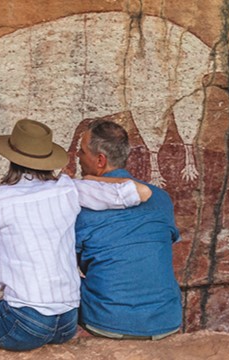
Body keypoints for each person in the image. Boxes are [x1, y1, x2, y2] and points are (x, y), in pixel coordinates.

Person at [0, 118, 152, 351]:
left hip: (22, 325)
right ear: (48, 158)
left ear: (10, 157)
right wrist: (84, 182)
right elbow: (140, 193)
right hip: (66, 323)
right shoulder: (68, 189)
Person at [76, 119, 182, 340]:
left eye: (82, 151)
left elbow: (70, 259)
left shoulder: (80, 203)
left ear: (100, 160)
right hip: (167, 319)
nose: (77, 156)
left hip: (108, 320)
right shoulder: (161, 197)